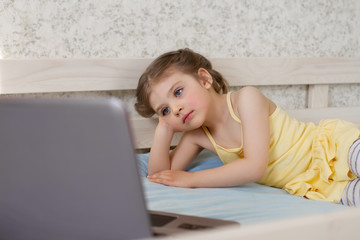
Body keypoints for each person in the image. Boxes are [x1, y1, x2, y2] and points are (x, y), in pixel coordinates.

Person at [135, 48, 360, 207]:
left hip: (331, 146)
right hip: (311, 182)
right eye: (164, 109)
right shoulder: (197, 137)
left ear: (204, 80)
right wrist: (164, 128)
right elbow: (159, 176)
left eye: (178, 92)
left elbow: (254, 167)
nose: (175, 108)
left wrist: (191, 180)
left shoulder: (246, 100)